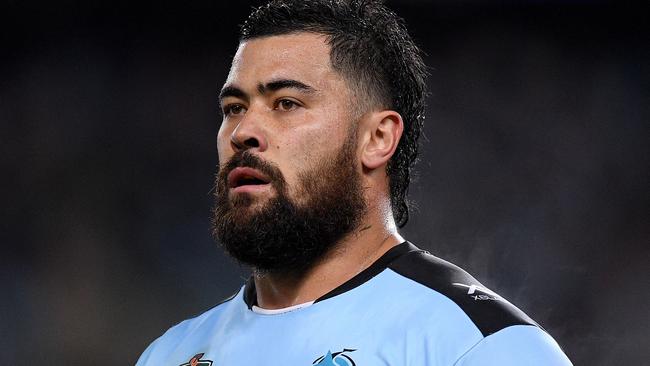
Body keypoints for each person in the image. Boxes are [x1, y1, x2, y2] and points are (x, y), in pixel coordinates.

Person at [136, 0, 572, 365]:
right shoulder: (170, 353)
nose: (242, 131)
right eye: (233, 107)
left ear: (377, 138)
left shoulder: (480, 348)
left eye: (286, 103)